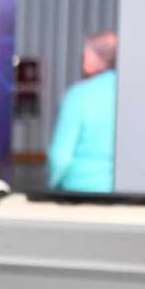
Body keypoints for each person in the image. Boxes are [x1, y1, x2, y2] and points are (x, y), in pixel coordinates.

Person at [47, 30, 118, 193]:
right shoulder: (134, 94)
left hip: (79, 190)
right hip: (125, 192)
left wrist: (51, 186)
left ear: (90, 57)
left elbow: (60, 158)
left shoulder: (77, 96)